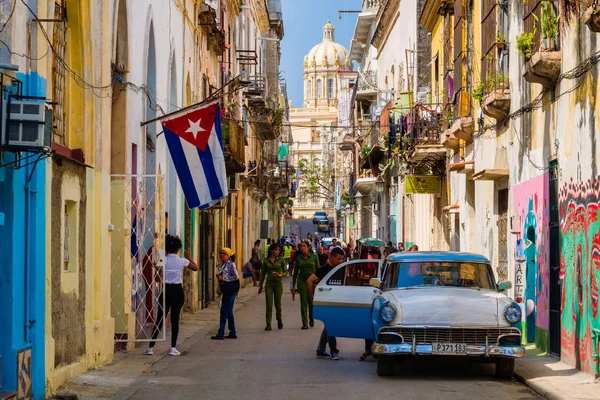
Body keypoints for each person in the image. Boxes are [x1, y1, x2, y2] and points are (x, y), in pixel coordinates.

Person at [145, 235, 198, 356]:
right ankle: (173, 348)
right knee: (175, 320)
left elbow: (158, 279)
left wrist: (158, 269)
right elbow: (195, 268)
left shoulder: (162, 259)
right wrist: (189, 258)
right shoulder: (181, 261)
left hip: (167, 290)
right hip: (177, 291)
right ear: (178, 248)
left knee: (159, 319)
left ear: (167, 248)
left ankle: (150, 348)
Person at [307, 247, 345, 360]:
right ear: (331, 257)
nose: (340, 261)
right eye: (338, 259)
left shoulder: (341, 269)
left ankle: (321, 349)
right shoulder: (323, 270)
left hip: (337, 301)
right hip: (327, 302)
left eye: (342, 259)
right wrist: (313, 295)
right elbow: (309, 281)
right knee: (331, 325)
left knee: (328, 325)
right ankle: (334, 351)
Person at [211, 248, 240, 340]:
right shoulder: (223, 265)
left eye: (224, 254)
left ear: (229, 256)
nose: (222, 255)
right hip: (227, 290)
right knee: (228, 311)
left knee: (224, 310)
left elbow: (235, 276)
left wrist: (223, 278)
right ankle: (232, 332)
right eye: (221, 253)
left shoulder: (231, 265)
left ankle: (221, 333)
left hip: (230, 290)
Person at [258, 243, 288, 330]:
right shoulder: (266, 261)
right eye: (276, 250)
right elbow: (263, 274)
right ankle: (268, 323)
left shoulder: (281, 260)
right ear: (272, 250)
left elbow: (286, 272)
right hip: (269, 284)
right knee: (269, 304)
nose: (277, 252)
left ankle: (279, 318)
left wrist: (280, 275)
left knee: (277, 304)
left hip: (278, 284)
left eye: (278, 250)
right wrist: (260, 285)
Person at [292, 241, 320, 329]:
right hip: (302, 281)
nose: (302, 248)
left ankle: (311, 317)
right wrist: (293, 285)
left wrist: (318, 283)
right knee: (303, 301)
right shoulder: (299, 258)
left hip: (311, 282)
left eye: (304, 246)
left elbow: (318, 270)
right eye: (301, 246)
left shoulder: (314, 257)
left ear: (308, 247)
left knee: (310, 302)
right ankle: (304, 323)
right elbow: (295, 272)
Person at [360, 248, 381, 361]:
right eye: (371, 255)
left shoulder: (382, 266)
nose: (373, 257)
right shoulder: (366, 266)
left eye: (374, 254)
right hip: (368, 296)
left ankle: (376, 348)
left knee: (378, 324)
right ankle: (368, 349)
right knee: (368, 324)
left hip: (380, 298)